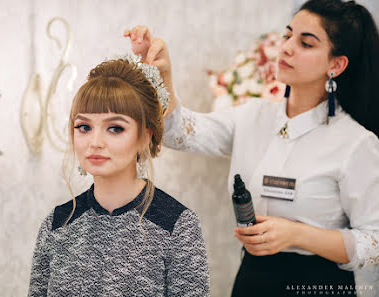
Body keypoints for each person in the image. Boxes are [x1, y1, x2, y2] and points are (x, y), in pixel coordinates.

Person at [124, 0, 379, 296]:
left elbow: (374, 243)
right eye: (287, 36)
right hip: (252, 280)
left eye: (306, 43)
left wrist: (297, 234)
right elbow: (180, 134)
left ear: (336, 65)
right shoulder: (252, 115)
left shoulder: (356, 143)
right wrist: (163, 76)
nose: (286, 48)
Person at [27, 57, 210, 296]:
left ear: (145, 136)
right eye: (84, 127)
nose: (95, 142)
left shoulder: (177, 226)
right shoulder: (56, 224)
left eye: (115, 128)